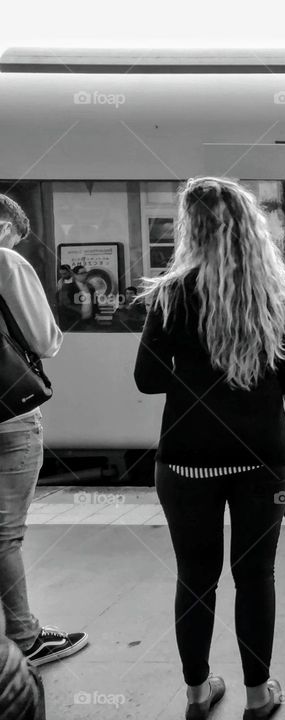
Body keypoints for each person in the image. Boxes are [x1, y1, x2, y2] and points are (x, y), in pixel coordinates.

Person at [134, 177, 285, 719]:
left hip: (186, 462)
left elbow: (147, 379)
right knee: (256, 576)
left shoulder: (170, 293)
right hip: (261, 461)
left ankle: (197, 693)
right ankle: (258, 696)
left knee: (195, 577)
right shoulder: (273, 295)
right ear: (251, 230)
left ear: (190, 227)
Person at [0, 194, 88, 668]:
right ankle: (26, 636)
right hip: (9, 414)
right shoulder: (6, 262)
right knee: (5, 533)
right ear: (6, 226)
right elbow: (46, 341)